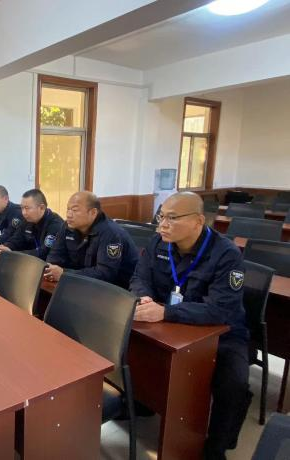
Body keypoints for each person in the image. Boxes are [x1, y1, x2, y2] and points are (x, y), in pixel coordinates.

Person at [130, 192, 251, 460]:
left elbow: (220, 309)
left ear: (198, 221)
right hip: (171, 324)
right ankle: (142, 402)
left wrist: (166, 311)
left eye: (172, 218)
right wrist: (144, 296)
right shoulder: (158, 242)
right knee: (135, 347)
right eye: (161, 216)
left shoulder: (226, 254)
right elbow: (139, 277)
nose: (162, 225)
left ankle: (217, 446)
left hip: (221, 333)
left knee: (233, 383)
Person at [45, 191, 139, 289]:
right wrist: (52, 271)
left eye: (75, 210)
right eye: (68, 209)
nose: (69, 215)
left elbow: (105, 274)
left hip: (116, 289)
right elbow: (54, 257)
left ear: (93, 212)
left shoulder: (111, 233)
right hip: (82, 282)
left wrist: (65, 274)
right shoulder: (67, 226)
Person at [0, 189, 64, 260]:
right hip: (30, 260)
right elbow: (17, 238)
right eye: (22, 208)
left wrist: (13, 254)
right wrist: (6, 247)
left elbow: (44, 253)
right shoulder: (28, 219)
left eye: (27, 208)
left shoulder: (55, 224)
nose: (24, 213)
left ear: (42, 208)